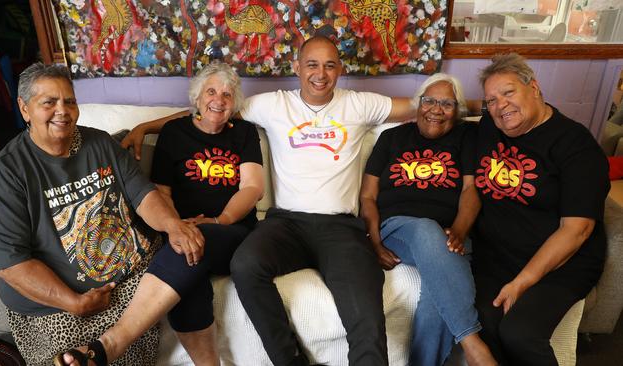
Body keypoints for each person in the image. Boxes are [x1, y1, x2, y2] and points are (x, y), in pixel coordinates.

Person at [121, 35, 423, 366]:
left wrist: (453, 103)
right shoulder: (272, 104)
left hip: (341, 228)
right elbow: (210, 112)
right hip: (286, 224)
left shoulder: (359, 103)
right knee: (246, 264)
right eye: (311, 64)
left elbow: (421, 104)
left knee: (365, 300)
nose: (320, 74)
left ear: (340, 70)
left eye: (329, 65)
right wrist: (147, 126)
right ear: (296, 67)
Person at [0, 63, 201, 365]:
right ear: (24, 109)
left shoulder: (100, 143)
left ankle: (108, 346)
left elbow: (143, 193)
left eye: (69, 101)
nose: (63, 111)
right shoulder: (8, 172)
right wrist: (74, 302)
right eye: (49, 103)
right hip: (60, 306)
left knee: (193, 254)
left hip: (131, 279)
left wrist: (173, 225)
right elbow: (9, 262)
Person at [55, 61, 264, 365]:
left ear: (234, 103)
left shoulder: (243, 133)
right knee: (188, 273)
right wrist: (177, 226)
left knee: (192, 240)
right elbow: (161, 193)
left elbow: (252, 188)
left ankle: (110, 345)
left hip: (233, 232)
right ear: (197, 97)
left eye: (227, 95)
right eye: (211, 91)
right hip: (183, 229)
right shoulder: (175, 133)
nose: (218, 100)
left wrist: (219, 221)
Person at [472, 53, 610, 365]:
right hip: (496, 255)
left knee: (520, 332)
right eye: (491, 100)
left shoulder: (576, 146)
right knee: (486, 323)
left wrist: (523, 282)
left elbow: (578, 229)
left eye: (508, 93)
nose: (500, 105)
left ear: (534, 87)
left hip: (561, 261)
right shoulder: (489, 127)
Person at [359, 73, 497, 366]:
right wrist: (373, 241)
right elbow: (368, 196)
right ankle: (472, 342)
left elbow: (471, 188)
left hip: (448, 233)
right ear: (417, 104)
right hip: (397, 228)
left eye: (447, 104)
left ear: (458, 110)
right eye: (429, 101)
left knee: (438, 298)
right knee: (425, 228)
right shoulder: (391, 137)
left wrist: (459, 230)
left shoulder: (466, 136)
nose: (436, 109)